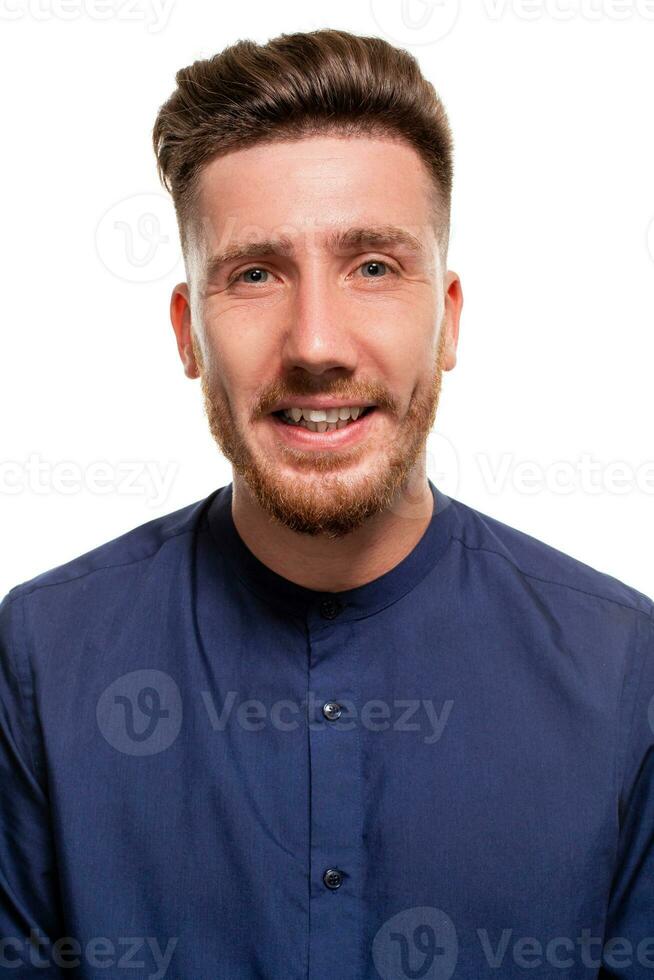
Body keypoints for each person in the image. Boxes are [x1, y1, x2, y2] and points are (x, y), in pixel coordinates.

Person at [1, 27, 652, 980]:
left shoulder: (627, 668)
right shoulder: (39, 659)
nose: (315, 343)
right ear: (189, 333)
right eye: (255, 273)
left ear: (449, 320)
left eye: (374, 267)